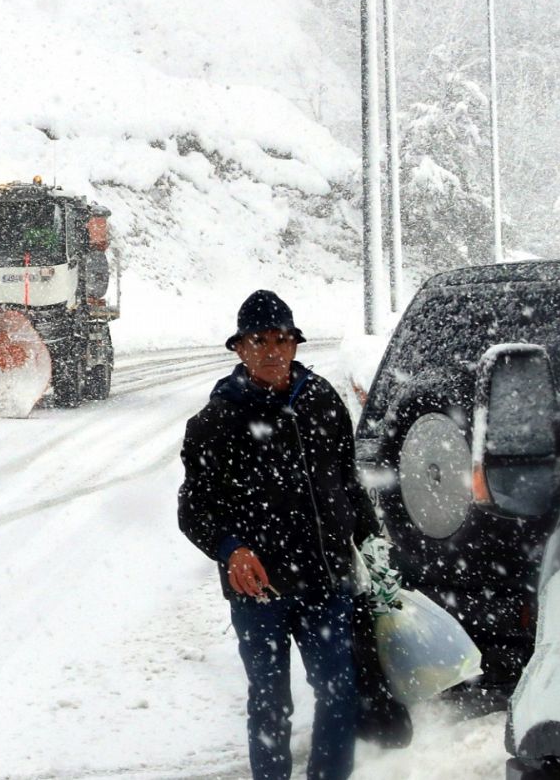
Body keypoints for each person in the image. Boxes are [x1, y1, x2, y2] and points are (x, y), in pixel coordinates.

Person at [178, 290, 383, 780]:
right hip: (260, 590)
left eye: (282, 339)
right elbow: (194, 508)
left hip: (324, 580)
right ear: (239, 349)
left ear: (295, 343)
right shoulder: (217, 420)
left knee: (339, 690)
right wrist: (230, 550)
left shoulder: (322, 401)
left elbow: (347, 481)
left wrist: (371, 542)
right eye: (259, 339)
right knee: (270, 702)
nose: (273, 350)